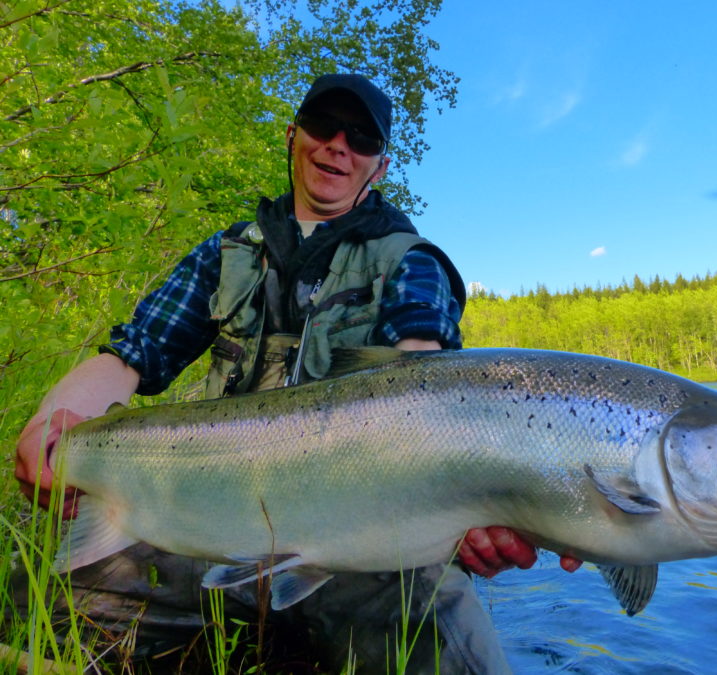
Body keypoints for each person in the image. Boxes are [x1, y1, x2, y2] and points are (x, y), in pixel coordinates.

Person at [14, 74, 580, 673]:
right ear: (293, 136)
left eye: (361, 138)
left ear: (380, 166)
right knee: (30, 604)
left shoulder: (411, 263)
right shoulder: (226, 255)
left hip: (366, 555)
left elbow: (426, 379)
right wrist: (52, 426)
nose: (339, 145)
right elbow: (133, 355)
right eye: (323, 126)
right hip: (210, 530)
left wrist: (472, 508)